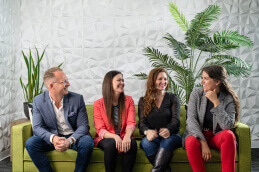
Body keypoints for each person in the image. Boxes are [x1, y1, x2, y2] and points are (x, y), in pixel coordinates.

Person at [25, 67, 94, 172]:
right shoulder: (38, 101)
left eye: (67, 80)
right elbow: (37, 127)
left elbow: (83, 126)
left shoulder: (77, 99)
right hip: (52, 138)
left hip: (74, 137)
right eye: (64, 81)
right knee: (31, 142)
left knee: (87, 142)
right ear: (52, 86)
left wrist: (70, 140)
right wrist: (53, 138)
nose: (68, 84)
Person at [183, 65, 239, 172]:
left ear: (217, 82)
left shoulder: (228, 98)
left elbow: (228, 126)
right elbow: (191, 120)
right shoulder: (196, 93)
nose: (201, 81)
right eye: (202, 77)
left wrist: (216, 103)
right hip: (198, 136)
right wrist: (203, 142)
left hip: (216, 137)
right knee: (190, 140)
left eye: (205, 78)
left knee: (229, 135)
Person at [138, 67, 182, 172]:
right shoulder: (143, 101)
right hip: (153, 137)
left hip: (172, 136)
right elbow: (142, 124)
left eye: (165, 79)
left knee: (167, 141)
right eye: (160, 79)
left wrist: (169, 130)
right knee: (146, 143)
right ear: (152, 81)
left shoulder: (173, 98)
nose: (164, 82)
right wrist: (147, 132)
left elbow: (176, 121)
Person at [93, 70, 137, 172]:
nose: (122, 83)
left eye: (123, 80)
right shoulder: (98, 104)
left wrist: (126, 137)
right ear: (109, 83)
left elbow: (131, 123)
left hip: (123, 135)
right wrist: (115, 137)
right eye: (119, 80)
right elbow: (100, 130)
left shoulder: (129, 100)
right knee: (112, 144)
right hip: (106, 138)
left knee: (132, 143)